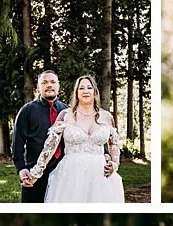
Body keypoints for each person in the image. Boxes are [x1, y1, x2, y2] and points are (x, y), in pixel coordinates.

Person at [24, 74, 123, 204]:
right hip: (71, 173)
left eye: (89, 87)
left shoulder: (107, 116)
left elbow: (114, 145)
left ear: (95, 92)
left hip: (100, 175)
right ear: (76, 93)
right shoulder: (65, 115)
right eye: (81, 88)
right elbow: (50, 147)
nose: (86, 91)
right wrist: (36, 173)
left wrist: (114, 164)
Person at [12, 69, 67, 203]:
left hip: (62, 173)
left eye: (53, 82)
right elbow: (17, 143)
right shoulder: (27, 110)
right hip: (34, 172)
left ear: (58, 86)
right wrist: (22, 168)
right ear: (38, 87)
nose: (49, 85)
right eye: (44, 82)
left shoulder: (68, 111)